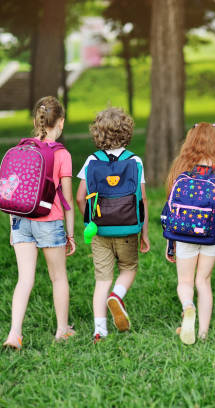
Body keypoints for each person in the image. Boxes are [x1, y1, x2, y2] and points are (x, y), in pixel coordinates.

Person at [3, 96, 76, 349]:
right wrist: (71, 234)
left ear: (36, 121)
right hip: (49, 220)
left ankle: (14, 334)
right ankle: (62, 330)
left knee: (25, 279)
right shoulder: (62, 154)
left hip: (20, 218)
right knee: (58, 278)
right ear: (61, 123)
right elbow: (66, 198)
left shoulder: (22, 148)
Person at [75, 107, 150, 343]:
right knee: (128, 268)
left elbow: (80, 197)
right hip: (129, 228)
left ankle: (100, 330)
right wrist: (144, 233)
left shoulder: (91, 161)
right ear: (127, 131)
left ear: (97, 133)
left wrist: (90, 220)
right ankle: (117, 296)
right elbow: (142, 199)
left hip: (100, 230)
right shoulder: (135, 161)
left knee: (102, 280)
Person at [164, 122, 215, 344]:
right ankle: (203, 333)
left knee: (185, 281)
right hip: (210, 234)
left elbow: (172, 207)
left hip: (184, 234)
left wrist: (171, 243)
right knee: (203, 281)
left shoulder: (181, 167)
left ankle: (188, 307)